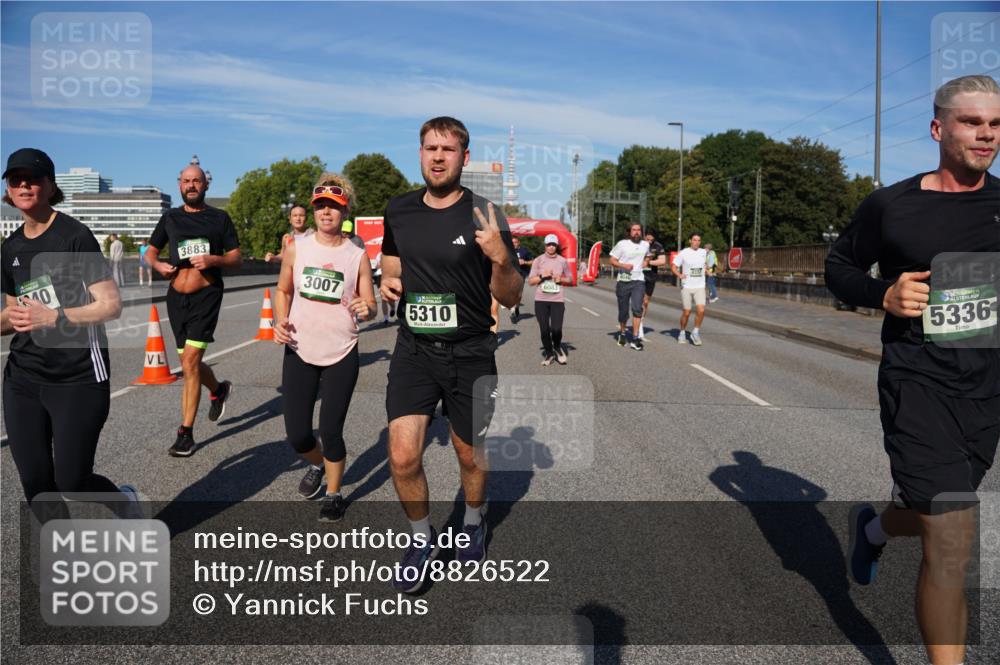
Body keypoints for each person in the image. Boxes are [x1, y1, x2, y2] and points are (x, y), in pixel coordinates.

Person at [826, 74, 1000, 665]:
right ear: (938, 128)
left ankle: (874, 530)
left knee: (933, 514)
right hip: (917, 381)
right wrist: (883, 294)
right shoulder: (893, 205)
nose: (987, 135)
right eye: (972, 122)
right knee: (952, 536)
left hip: (986, 390)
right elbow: (838, 268)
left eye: (996, 125)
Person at [379, 116, 521, 592]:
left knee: (468, 453)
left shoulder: (486, 214)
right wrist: (388, 279)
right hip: (414, 348)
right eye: (429, 148)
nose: (437, 156)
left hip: (472, 352)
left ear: (464, 156)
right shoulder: (399, 210)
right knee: (401, 457)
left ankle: (474, 519)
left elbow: (514, 296)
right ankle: (421, 539)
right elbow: (393, 260)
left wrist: (501, 257)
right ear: (419, 154)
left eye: (448, 149)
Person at [0, 148, 139, 513]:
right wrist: (10, 319)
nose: (24, 185)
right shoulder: (10, 247)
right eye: (16, 180)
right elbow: (12, 311)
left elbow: (111, 304)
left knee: (72, 480)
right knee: (35, 481)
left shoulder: (75, 236)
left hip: (77, 375)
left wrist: (56, 317)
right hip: (23, 376)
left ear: (50, 185)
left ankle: (123, 502)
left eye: (33, 178)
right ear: (9, 191)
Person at [273, 174, 376, 522]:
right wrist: (279, 319)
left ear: (344, 210)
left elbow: (371, 304)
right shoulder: (296, 247)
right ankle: (318, 464)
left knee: (330, 430)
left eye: (333, 206)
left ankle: (334, 493)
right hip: (300, 348)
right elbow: (283, 290)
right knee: (298, 434)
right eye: (320, 206)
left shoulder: (356, 255)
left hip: (342, 352)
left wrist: (367, 308)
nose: (325, 212)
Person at [146, 163, 241, 457]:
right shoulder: (170, 217)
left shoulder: (219, 218)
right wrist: (158, 264)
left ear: (206, 185)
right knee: (191, 363)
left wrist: (214, 260)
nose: (191, 185)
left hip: (206, 295)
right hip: (176, 298)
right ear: (179, 185)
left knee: (189, 363)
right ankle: (219, 390)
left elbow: (236, 257)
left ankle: (185, 433)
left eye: (197, 181)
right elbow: (150, 250)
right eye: (186, 181)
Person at [528, 234, 573, 365]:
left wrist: (562, 279)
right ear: (545, 245)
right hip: (541, 300)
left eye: (553, 244)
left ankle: (557, 347)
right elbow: (531, 281)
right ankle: (549, 354)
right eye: (549, 244)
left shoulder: (562, 261)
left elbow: (570, 278)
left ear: (557, 245)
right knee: (544, 330)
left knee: (556, 329)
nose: (551, 247)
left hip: (557, 300)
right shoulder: (538, 260)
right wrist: (542, 276)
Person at [609, 223, 649, 350]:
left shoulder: (645, 244)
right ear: (629, 232)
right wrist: (623, 266)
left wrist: (645, 263)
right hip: (624, 281)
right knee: (623, 311)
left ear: (641, 232)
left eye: (638, 230)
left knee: (637, 309)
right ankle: (622, 333)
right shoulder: (622, 244)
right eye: (634, 230)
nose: (636, 232)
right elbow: (612, 260)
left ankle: (635, 338)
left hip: (639, 281)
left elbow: (647, 257)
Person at [671, 233, 709, 346]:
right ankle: (682, 332)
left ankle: (695, 332)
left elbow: (704, 265)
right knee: (687, 312)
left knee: (701, 310)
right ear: (690, 241)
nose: (696, 242)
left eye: (698, 240)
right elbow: (673, 266)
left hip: (700, 286)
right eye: (694, 240)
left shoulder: (703, 252)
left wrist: (707, 271)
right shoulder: (683, 253)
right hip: (687, 286)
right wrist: (679, 275)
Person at [640, 229, 667, 338]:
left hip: (651, 276)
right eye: (647, 238)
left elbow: (662, 261)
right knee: (639, 299)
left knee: (646, 302)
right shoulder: (639, 244)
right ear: (644, 236)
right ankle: (638, 322)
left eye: (651, 239)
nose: (649, 241)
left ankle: (640, 322)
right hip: (639, 275)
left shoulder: (658, 246)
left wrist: (648, 262)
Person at [511, 235, 533, 322]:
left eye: (515, 242)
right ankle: (513, 310)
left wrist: (525, 262)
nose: (513, 244)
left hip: (521, 274)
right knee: (511, 292)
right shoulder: (507, 250)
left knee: (518, 293)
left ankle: (516, 306)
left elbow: (532, 261)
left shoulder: (524, 251)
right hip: (509, 275)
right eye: (512, 243)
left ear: (519, 243)